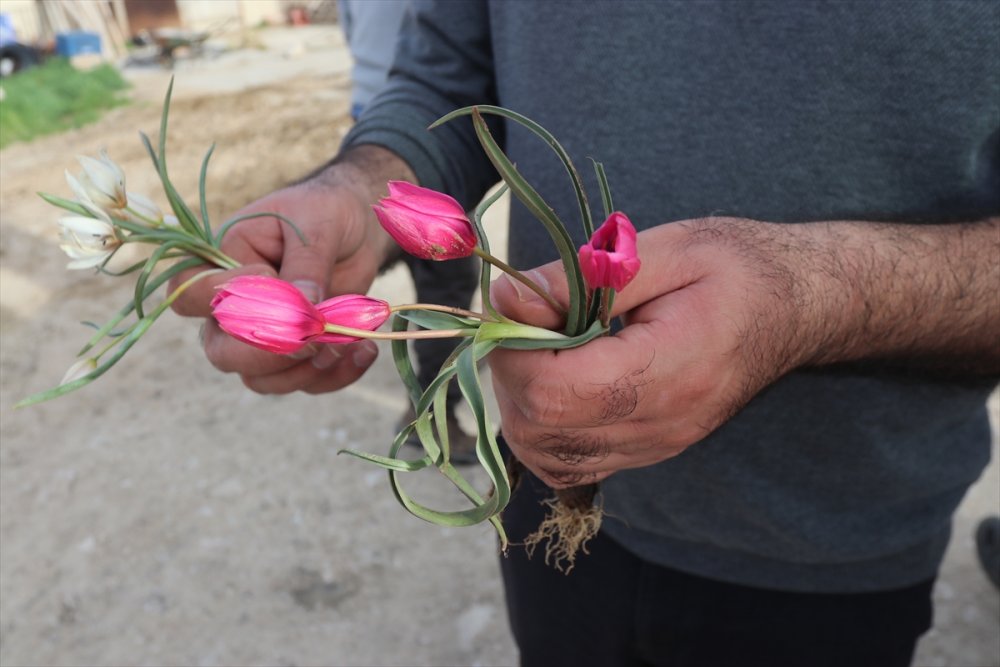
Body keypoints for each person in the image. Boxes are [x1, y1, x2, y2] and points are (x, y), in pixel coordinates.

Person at [172, 2, 1000, 665]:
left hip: (832, 541)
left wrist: (815, 299)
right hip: (549, 489)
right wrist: (366, 184)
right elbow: (451, 71)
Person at [338, 0, 480, 461]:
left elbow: (350, 28)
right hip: (420, 126)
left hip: (371, 113)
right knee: (446, 288)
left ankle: (430, 413)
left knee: (430, 276)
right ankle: (433, 419)